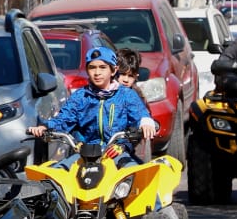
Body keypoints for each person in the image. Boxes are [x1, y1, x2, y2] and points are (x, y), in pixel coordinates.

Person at [28, 45, 159, 164]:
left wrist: (145, 122)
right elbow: (64, 120)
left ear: (113, 71)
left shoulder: (126, 94)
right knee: (56, 178)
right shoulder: (80, 96)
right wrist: (45, 127)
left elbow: (140, 114)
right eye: (92, 67)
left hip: (117, 153)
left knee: (138, 179)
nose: (97, 73)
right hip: (84, 155)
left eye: (102, 67)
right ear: (87, 70)